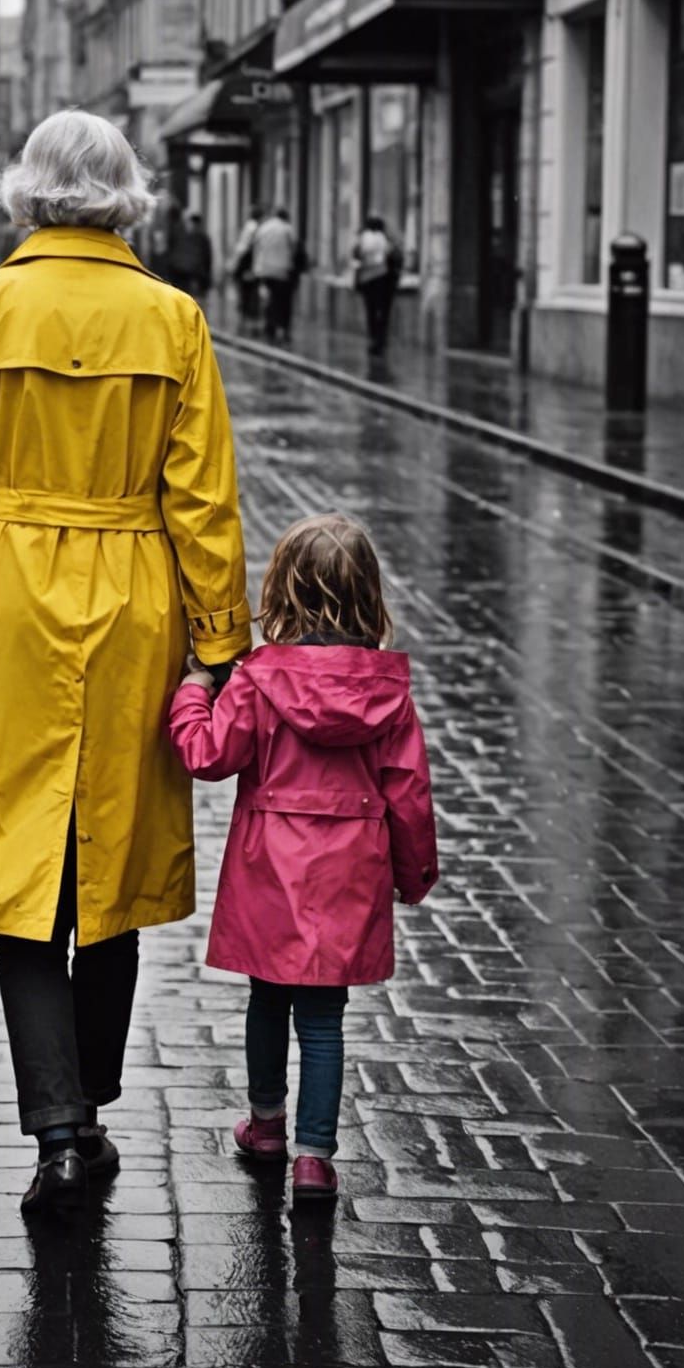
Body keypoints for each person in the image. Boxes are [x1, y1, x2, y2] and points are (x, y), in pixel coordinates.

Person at [0, 109, 250, 1216]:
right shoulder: (173, 319)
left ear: (28, 191)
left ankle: (61, 1131)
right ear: (126, 193)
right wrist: (222, 643)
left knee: (21, 874)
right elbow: (205, 502)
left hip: (7, 607)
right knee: (110, 869)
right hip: (135, 599)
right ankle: (91, 1103)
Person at [166, 513, 438, 1207]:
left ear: (282, 594)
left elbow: (207, 755)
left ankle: (265, 1124)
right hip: (350, 871)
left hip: (270, 872)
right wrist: (413, 874)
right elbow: (408, 793)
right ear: (368, 598)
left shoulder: (258, 682)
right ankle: (314, 1158)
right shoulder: (387, 693)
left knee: (268, 997)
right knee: (323, 1017)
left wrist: (195, 690)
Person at [353, 214, 402, 357]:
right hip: (386, 281)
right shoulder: (387, 240)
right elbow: (396, 257)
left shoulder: (364, 238)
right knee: (384, 312)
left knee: (371, 311)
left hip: (368, 280)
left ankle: (374, 339)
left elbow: (356, 255)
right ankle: (381, 339)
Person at [252, 206, 300, 345]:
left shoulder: (264, 228)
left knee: (269, 300)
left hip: (265, 270)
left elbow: (256, 248)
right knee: (283, 301)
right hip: (282, 271)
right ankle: (283, 328)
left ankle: (269, 326)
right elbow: (294, 248)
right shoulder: (287, 228)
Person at [231, 204, 263, 328]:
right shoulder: (253, 228)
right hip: (248, 264)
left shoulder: (250, 227)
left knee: (246, 292)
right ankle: (248, 320)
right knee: (248, 292)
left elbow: (241, 247)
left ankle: (245, 319)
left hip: (246, 263)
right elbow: (245, 247)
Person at [169, 211, 214, 301]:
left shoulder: (201, 238)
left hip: (191, 275)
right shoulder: (202, 238)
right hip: (183, 274)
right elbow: (208, 259)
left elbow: (207, 259)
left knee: (188, 299)